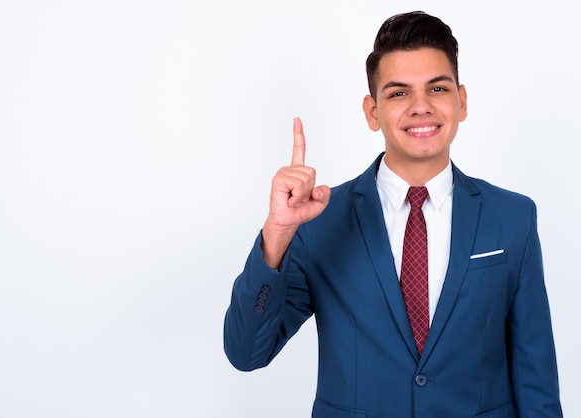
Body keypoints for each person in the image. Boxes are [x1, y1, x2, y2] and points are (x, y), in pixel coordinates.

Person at [223, 11, 562, 418]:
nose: (421, 107)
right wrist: (277, 233)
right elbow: (246, 353)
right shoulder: (320, 221)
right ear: (372, 111)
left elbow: (536, 379)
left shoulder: (513, 218)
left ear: (461, 101)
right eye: (399, 93)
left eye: (437, 88)